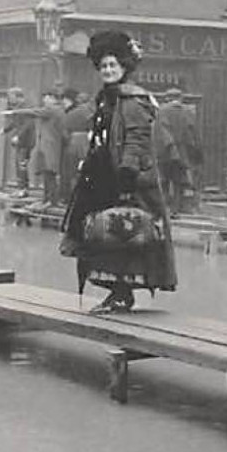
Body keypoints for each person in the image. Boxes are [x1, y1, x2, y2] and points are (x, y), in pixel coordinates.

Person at [60, 31, 177, 314]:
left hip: (128, 180)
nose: (108, 71)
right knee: (102, 237)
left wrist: (127, 177)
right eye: (103, 67)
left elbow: (137, 140)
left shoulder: (132, 100)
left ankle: (122, 294)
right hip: (104, 175)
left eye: (113, 65)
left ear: (124, 67)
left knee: (123, 236)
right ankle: (117, 293)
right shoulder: (108, 99)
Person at [154, 87, 202, 214]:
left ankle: (163, 210)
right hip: (183, 154)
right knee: (178, 183)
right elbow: (193, 134)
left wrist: (169, 146)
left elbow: (161, 132)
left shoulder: (161, 111)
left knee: (163, 182)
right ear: (180, 98)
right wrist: (194, 152)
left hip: (164, 154)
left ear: (167, 98)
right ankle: (175, 210)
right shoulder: (188, 112)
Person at [25, 86, 68, 206]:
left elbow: (34, 112)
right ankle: (47, 199)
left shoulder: (53, 109)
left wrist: (14, 112)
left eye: (46, 97)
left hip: (50, 146)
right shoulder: (57, 110)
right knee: (47, 173)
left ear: (53, 98)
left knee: (50, 174)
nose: (44, 100)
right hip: (49, 145)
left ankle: (51, 200)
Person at [59, 87, 93, 205]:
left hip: (72, 142)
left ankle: (69, 197)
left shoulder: (71, 113)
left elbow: (64, 131)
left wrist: (68, 141)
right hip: (86, 142)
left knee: (71, 172)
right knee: (85, 170)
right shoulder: (90, 112)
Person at [2, 86, 35, 195]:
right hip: (20, 142)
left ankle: (24, 189)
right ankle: (20, 188)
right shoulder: (17, 108)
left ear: (18, 97)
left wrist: (19, 136)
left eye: (11, 96)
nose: (9, 99)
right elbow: (15, 122)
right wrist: (5, 130)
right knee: (19, 165)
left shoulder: (26, 107)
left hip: (26, 142)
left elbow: (27, 124)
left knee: (22, 165)